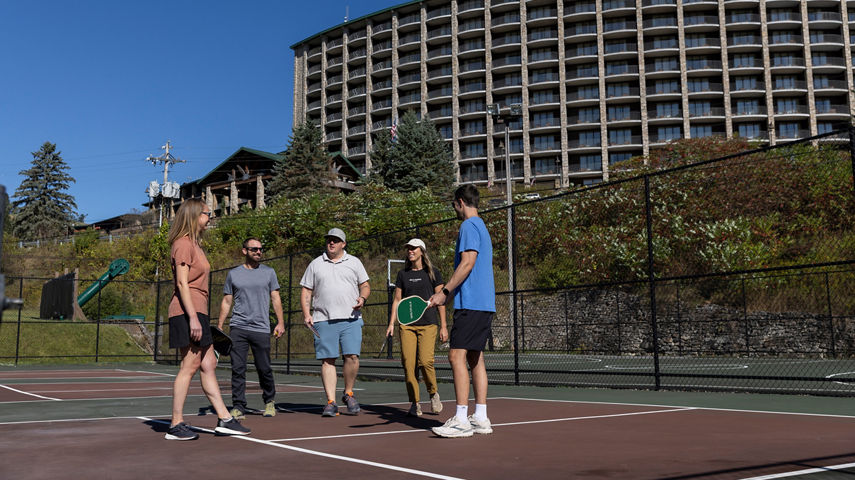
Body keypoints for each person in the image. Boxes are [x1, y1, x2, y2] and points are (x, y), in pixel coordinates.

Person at [164, 198, 250, 440]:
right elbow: (182, 283)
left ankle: (224, 419)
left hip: (197, 311)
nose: (209, 217)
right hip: (185, 311)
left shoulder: (195, 245)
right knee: (189, 366)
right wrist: (192, 318)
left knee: (209, 363)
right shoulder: (182, 244)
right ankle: (176, 423)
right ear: (193, 215)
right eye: (206, 213)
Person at [428, 185, 495, 438]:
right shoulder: (482, 226)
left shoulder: (467, 226)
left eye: (453, 205)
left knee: (456, 356)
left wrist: (444, 292)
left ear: (459, 203)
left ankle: (460, 419)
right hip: (484, 303)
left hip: (472, 304)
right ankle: (480, 416)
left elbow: (468, 263)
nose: (454, 210)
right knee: (475, 358)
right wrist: (447, 295)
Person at [300, 228, 370, 417]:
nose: (332, 243)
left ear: (343, 244)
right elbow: (306, 291)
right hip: (323, 319)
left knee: (352, 357)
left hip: (351, 319)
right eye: (329, 240)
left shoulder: (354, 262)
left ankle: (348, 393)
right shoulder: (315, 264)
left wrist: (362, 298)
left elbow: (365, 285)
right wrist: (307, 314)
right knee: (328, 360)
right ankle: (330, 402)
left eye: (336, 240)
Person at [217, 237, 285, 420]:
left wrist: (280, 322)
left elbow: (276, 298)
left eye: (261, 249)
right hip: (238, 327)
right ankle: (239, 406)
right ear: (244, 251)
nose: (258, 252)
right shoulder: (234, 274)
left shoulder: (269, 273)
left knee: (264, 368)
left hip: (261, 328)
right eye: (254, 249)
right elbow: (227, 300)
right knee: (237, 368)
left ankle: (269, 402)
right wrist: (220, 325)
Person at [386, 238, 448, 417]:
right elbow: (397, 300)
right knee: (408, 364)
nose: (410, 251)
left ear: (422, 251)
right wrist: (391, 323)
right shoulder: (402, 274)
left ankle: (433, 393)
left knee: (426, 362)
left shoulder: (433, 273)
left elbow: (441, 300)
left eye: (413, 248)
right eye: (408, 249)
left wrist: (444, 326)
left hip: (429, 324)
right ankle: (415, 402)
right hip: (406, 326)